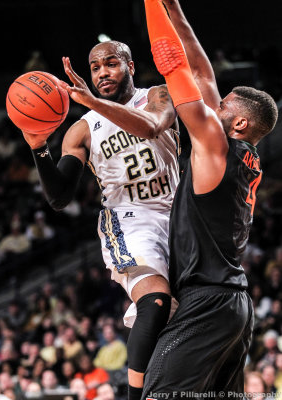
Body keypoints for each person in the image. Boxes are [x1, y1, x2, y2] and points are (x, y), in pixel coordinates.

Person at [20, 39, 180, 400]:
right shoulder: (83, 129)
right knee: (153, 302)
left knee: (185, 315)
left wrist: (94, 102)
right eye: (95, 68)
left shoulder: (157, 95)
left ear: (131, 67)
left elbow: (153, 127)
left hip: (179, 214)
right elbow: (59, 197)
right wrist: (38, 147)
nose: (103, 73)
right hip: (128, 219)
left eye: (112, 63)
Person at [142, 0, 278, 397]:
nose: (212, 104)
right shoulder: (240, 155)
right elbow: (201, 71)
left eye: (221, 105)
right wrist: (174, 8)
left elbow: (176, 68)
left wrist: (152, 5)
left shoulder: (216, 146)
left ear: (238, 122)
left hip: (208, 302)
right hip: (232, 304)